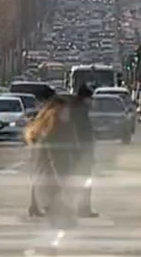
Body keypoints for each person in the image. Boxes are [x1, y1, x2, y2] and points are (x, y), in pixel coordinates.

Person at [24, 96, 80, 233]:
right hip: (52, 177)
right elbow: (55, 158)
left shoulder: (43, 123)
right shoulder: (54, 123)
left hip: (45, 178)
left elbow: (36, 174)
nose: (68, 114)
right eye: (66, 111)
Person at [71, 84, 98, 218]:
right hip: (81, 153)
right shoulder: (80, 112)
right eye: (90, 98)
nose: (92, 101)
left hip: (80, 152)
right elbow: (80, 133)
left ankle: (81, 207)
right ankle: (83, 208)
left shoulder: (78, 111)